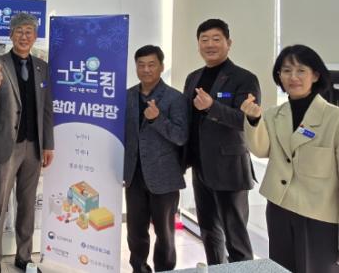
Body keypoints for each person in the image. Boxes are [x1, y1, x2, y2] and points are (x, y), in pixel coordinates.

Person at [240, 44, 339, 273]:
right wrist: (254, 120)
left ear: (315, 75)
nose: (293, 77)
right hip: (279, 207)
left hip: (318, 214)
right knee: (281, 267)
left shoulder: (334, 118)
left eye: (301, 70)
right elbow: (261, 150)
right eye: (286, 71)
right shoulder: (274, 114)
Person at [183, 18, 259, 265]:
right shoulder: (193, 78)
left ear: (229, 43)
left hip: (229, 168)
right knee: (209, 232)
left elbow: (245, 121)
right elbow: (188, 119)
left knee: (236, 238)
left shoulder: (244, 78)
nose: (210, 44)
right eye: (204, 40)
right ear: (198, 45)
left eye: (216, 39)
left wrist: (212, 106)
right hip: (200, 167)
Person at [0, 13, 54, 273]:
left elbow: (46, 109)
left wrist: (48, 144)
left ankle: (24, 256)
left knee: (27, 205)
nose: (24, 36)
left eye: (29, 32)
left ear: (35, 36)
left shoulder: (42, 66)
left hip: (33, 146)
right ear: (10, 34)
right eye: (19, 31)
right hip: (6, 146)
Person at [124, 45, 189, 273]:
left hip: (164, 177)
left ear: (161, 67)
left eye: (151, 65)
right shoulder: (128, 96)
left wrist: (157, 119)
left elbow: (181, 136)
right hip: (134, 176)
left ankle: (165, 270)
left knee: (165, 233)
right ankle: (139, 268)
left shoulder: (175, 98)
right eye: (141, 65)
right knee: (135, 231)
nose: (146, 70)